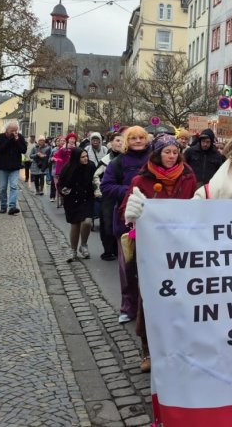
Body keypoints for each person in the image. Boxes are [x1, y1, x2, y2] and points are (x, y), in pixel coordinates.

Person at [121, 134, 198, 373]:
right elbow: (126, 209)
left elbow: (195, 205)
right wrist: (132, 212)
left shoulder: (187, 176)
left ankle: (180, 346)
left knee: (181, 298)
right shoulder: (140, 179)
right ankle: (148, 349)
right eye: (167, 152)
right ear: (157, 153)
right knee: (150, 299)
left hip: (180, 246)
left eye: (175, 152)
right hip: (152, 248)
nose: (172, 156)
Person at [100, 126, 151, 323]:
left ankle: (150, 307)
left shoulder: (154, 160)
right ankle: (128, 308)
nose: (138, 141)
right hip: (126, 222)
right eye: (133, 138)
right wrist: (130, 192)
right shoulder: (118, 162)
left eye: (141, 138)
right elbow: (106, 186)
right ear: (127, 141)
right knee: (128, 268)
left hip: (152, 221)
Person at [58, 148, 97, 262]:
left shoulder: (91, 166)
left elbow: (96, 180)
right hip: (72, 199)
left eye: (86, 156)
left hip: (87, 198)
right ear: (76, 158)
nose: (85, 159)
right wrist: (63, 191)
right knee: (75, 225)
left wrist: (97, 189)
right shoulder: (68, 167)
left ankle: (83, 244)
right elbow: (60, 184)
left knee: (87, 222)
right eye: (82, 157)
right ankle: (73, 250)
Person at [94, 131, 124, 261]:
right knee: (107, 222)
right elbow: (96, 176)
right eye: (117, 140)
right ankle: (108, 250)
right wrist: (99, 192)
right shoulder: (106, 160)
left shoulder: (127, 158)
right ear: (111, 143)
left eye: (122, 140)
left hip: (122, 195)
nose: (120, 143)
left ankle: (121, 250)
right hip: (108, 197)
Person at [0, 120, 27, 215]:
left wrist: (16, 141)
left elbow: (23, 150)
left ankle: (12, 206)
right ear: (7, 129)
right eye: (12, 130)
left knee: (13, 186)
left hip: (15, 167)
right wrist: (10, 140)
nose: (14, 132)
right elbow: (0, 150)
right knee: (2, 188)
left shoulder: (19, 137)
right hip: (2, 167)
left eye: (16, 130)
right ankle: (3, 206)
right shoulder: (1, 137)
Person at [53, 133, 78, 207]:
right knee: (64, 185)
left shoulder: (76, 148)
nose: (72, 140)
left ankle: (72, 199)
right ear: (68, 140)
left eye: (74, 139)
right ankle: (63, 197)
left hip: (74, 170)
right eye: (71, 138)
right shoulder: (63, 149)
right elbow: (58, 158)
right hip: (64, 170)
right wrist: (58, 170)